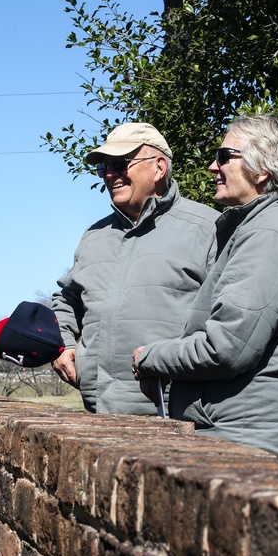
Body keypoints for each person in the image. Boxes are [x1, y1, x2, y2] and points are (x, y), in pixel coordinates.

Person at [132, 114, 278, 458]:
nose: (212, 166)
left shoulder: (272, 231)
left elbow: (227, 348)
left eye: (224, 156)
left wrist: (151, 358)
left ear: (262, 168)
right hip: (232, 432)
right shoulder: (262, 227)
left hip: (243, 440)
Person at [51, 122, 219, 414]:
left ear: (159, 167)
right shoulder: (94, 235)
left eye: (120, 163)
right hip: (97, 415)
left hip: (177, 419)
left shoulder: (208, 229)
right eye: (104, 168)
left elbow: (230, 321)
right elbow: (66, 300)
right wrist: (62, 344)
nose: (111, 174)